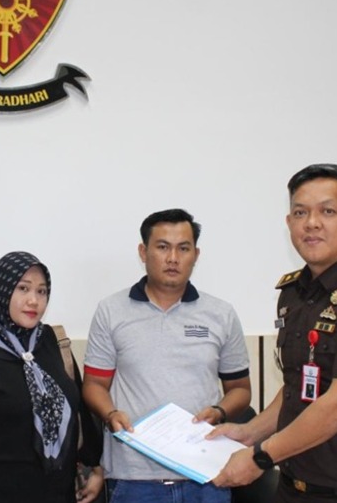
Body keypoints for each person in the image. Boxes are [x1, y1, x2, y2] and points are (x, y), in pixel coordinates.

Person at [208, 164, 337, 503]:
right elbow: (299, 386)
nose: (312, 223)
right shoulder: (294, 293)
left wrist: (261, 457)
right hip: (293, 486)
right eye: (300, 212)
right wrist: (249, 433)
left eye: (327, 211)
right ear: (289, 222)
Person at [82, 208, 252, 503]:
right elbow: (94, 384)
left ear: (196, 255)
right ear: (143, 251)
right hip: (133, 478)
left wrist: (219, 411)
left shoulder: (221, 314)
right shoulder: (111, 311)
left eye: (183, 248)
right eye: (162, 247)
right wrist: (110, 415)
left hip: (206, 475)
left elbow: (240, 390)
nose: (173, 258)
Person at [0, 251, 104, 503]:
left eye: (41, 291)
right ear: (1, 290)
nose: (33, 300)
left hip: (58, 493)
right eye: (23, 288)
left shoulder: (51, 341)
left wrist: (95, 467)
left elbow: (78, 408)